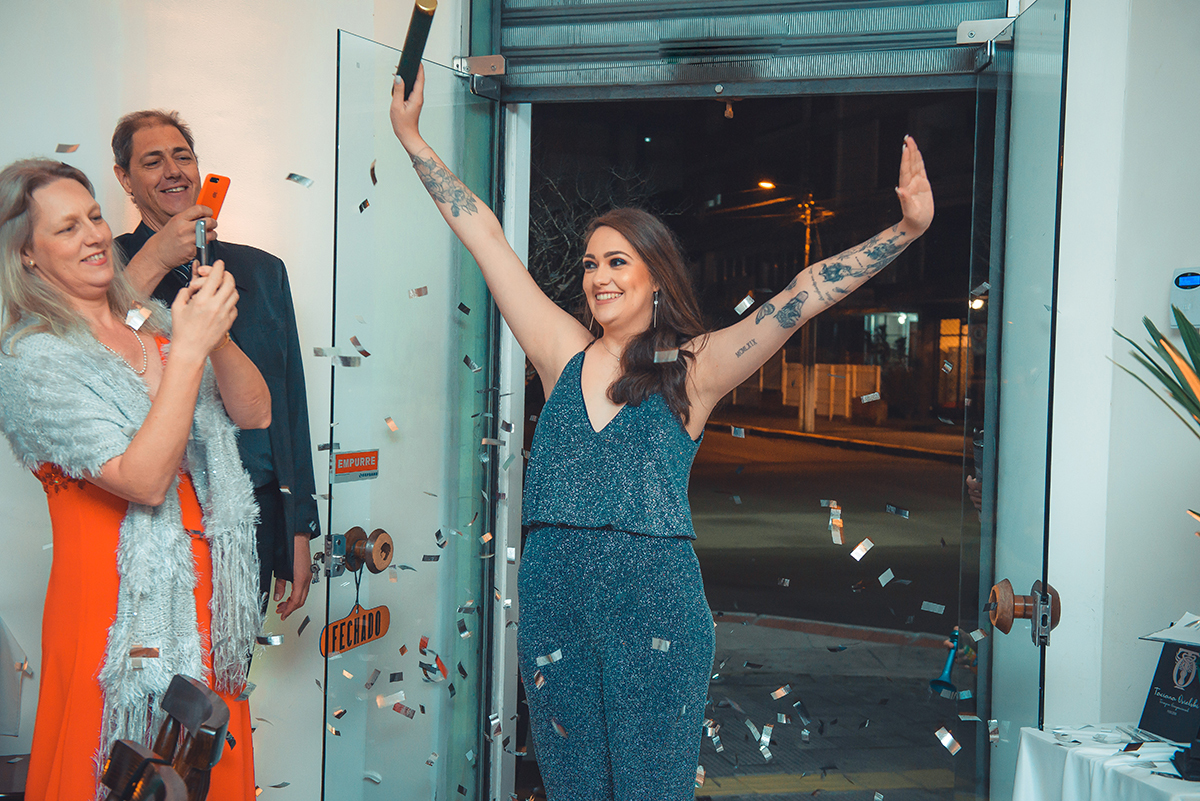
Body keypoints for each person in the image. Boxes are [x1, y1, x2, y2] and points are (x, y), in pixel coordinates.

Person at [390, 68, 934, 800]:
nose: (598, 276)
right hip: (556, 601)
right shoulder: (560, 353)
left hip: (659, 609)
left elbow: (800, 297)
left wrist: (905, 231)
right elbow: (483, 234)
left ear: (655, 277)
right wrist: (411, 136)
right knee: (575, 787)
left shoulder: (696, 368)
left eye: (618, 261)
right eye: (590, 264)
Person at [0, 159, 266, 799]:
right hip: (112, 608)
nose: (94, 236)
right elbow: (144, 480)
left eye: (94, 217)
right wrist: (192, 351)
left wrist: (211, 331)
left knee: (206, 764)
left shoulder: (150, 318)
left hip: (202, 599)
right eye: (66, 228)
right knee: (117, 771)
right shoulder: (30, 357)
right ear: (27, 255)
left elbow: (253, 412)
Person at [111, 110, 319, 620]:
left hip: (255, 507)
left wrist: (298, 526)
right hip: (161, 510)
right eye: (152, 161)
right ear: (125, 179)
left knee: (228, 676)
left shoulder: (263, 272)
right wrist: (157, 256)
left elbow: (289, 405)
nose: (173, 171)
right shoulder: (108, 266)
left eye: (183, 156)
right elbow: (104, 340)